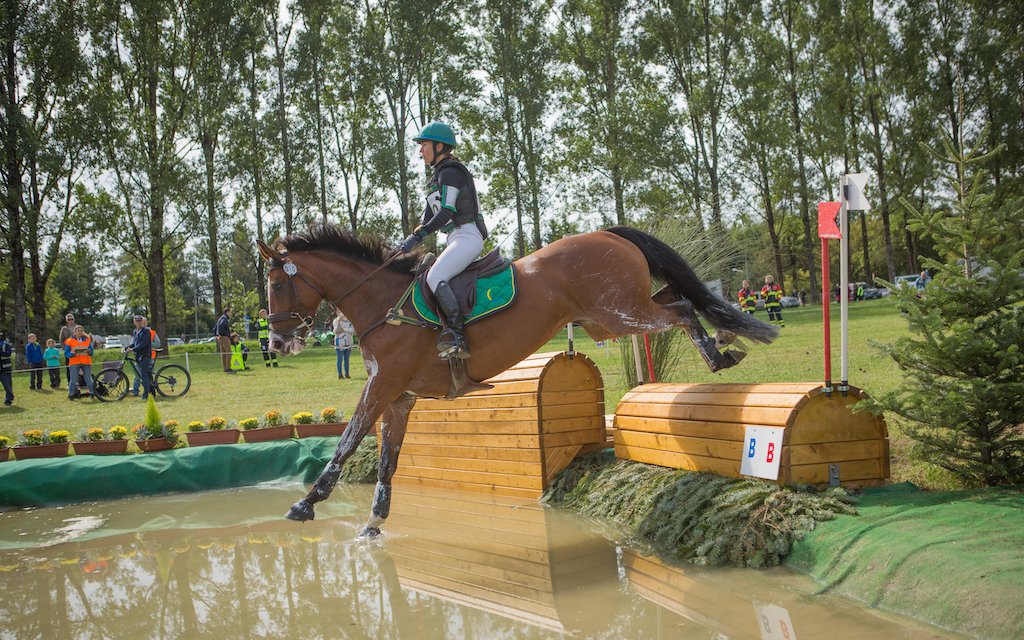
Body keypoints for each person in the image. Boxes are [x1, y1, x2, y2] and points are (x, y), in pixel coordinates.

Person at [398, 121, 488, 360]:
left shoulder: (451, 172)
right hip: (455, 238)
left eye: (423, 145)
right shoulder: (437, 177)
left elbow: (446, 212)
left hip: (467, 236)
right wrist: (408, 242)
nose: (420, 151)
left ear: (439, 146)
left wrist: (416, 237)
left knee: (435, 276)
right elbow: (428, 219)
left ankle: (459, 337)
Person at [125, 315, 153, 400]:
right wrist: (127, 347)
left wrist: (133, 349)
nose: (139, 323)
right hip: (138, 356)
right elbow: (135, 343)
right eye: (137, 321)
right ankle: (142, 391)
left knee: (143, 375)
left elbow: (143, 344)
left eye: (140, 321)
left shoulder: (146, 331)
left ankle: (146, 395)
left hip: (145, 356)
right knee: (140, 374)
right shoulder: (135, 332)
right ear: (134, 322)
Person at [64, 325, 95, 400]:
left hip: (86, 362)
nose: (80, 332)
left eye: (81, 331)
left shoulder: (87, 340)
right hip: (74, 362)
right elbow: (66, 353)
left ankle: (92, 393)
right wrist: (72, 354)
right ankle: (71, 394)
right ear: (74, 332)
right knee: (73, 379)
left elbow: (92, 352)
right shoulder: (69, 341)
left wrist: (89, 352)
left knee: (88, 379)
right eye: (78, 331)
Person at [333, 310, 354, 379]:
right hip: (340, 342)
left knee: (347, 359)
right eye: (340, 312)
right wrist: (339, 322)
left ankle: (347, 374)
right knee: (339, 359)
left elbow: (352, 330)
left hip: (348, 342)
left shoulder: (349, 320)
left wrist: (344, 330)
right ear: (337, 313)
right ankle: (340, 374)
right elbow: (337, 331)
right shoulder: (335, 321)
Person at [58, 313, 76, 384]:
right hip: (68, 350)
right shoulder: (64, 329)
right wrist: (65, 349)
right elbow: (61, 340)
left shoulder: (77, 327)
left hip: (76, 349)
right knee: (69, 367)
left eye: (72, 319)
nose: (71, 321)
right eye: (69, 319)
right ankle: (70, 382)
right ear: (66, 320)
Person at [215, 307, 234, 373]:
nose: (230, 314)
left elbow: (215, 328)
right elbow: (221, 325)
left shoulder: (220, 318)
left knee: (223, 354)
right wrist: (220, 334)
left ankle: (225, 368)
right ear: (227, 312)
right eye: (230, 312)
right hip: (224, 337)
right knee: (228, 352)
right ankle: (228, 368)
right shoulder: (224, 318)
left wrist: (216, 335)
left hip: (220, 338)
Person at [0, 332, 13, 406]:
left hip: (5, 369)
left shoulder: (5, 344)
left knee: (8, 386)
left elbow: (8, 354)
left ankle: (8, 400)